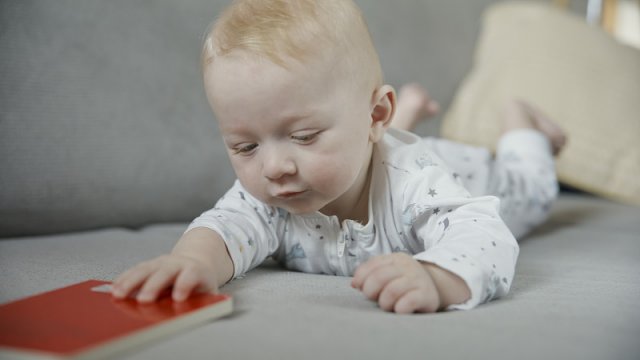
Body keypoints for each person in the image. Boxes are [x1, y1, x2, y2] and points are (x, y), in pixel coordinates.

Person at [112, 0, 565, 313]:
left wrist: (436, 278)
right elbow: (225, 227)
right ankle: (403, 117)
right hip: (373, 141)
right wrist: (192, 263)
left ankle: (520, 122)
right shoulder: (272, 193)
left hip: (474, 174)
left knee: (532, 189)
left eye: (304, 136)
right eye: (245, 146)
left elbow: (485, 233)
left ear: (374, 114)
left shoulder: (416, 181)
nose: (273, 168)